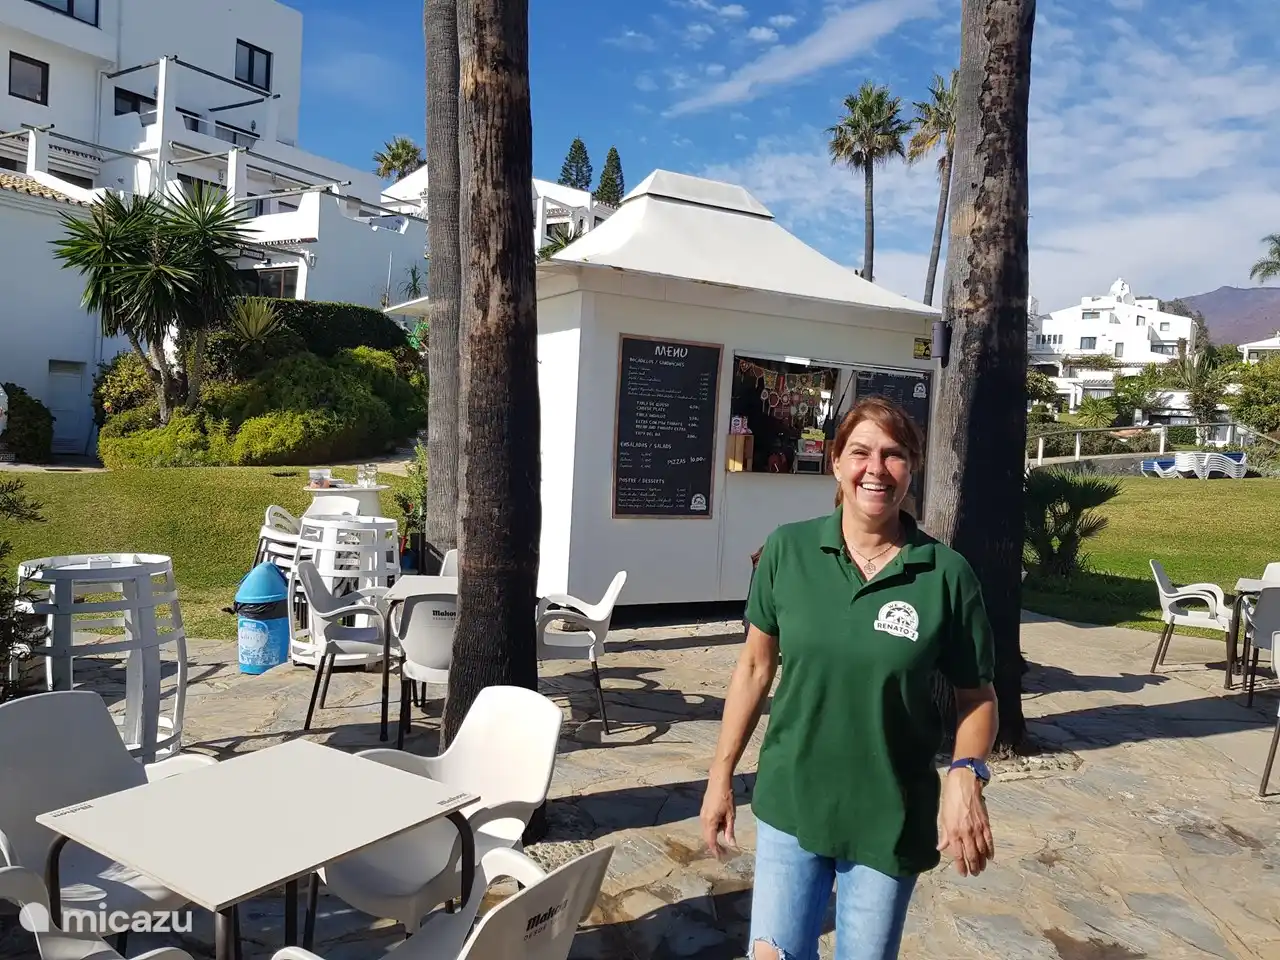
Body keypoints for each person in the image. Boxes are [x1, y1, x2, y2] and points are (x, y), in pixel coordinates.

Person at [700, 395, 999, 960]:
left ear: (911, 468)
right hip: (793, 801)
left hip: (888, 815)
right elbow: (754, 668)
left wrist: (966, 773)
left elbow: (977, 697)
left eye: (893, 455)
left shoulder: (946, 576)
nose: (876, 469)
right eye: (860, 452)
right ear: (837, 462)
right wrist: (720, 778)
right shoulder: (788, 550)